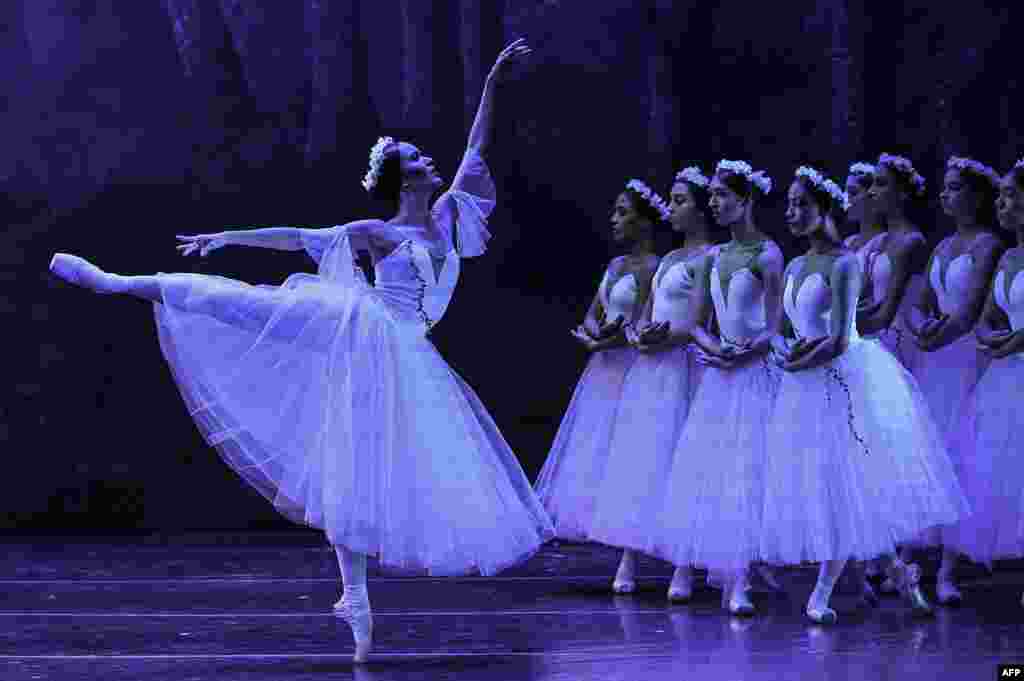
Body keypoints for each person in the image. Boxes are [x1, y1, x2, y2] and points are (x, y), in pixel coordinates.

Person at [49, 39, 554, 664]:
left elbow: (478, 145)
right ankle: (122, 283)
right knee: (253, 306)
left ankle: (355, 597)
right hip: (360, 326)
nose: (432, 158)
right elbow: (299, 238)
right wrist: (226, 235)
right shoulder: (378, 232)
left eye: (427, 155)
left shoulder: (450, 216)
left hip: (407, 354)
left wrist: (493, 79)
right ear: (403, 179)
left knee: (358, 463)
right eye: (419, 157)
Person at [759, 166, 967, 624]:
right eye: (790, 205)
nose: (792, 213)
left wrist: (797, 359)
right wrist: (784, 352)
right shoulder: (794, 265)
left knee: (843, 485)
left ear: (825, 208)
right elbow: (782, 329)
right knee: (832, 486)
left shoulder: (844, 262)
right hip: (804, 383)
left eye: (802, 205)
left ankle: (822, 592)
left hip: (843, 380)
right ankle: (899, 572)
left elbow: (837, 337)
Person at [643, 160, 783, 616]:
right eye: (715, 195)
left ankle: (740, 576)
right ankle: (693, 564)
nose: (716, 202)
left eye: (724, 195)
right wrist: (717, 347)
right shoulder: (714, 258)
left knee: (747, 470)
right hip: (719, 374)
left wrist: (746, 350)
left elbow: (777, 327)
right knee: (706, 467)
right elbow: (698, 322)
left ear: (745, 200)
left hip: (755, 374)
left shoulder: (768, 254)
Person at [585, 167, 717, 601]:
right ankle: (631, 554)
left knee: (686, 460)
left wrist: (669, 336)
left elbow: (703, 320)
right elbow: (646, 311)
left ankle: (684, 562)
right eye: (672, 200)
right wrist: (639, 334)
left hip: (687, 365)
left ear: (699, 209)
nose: (672, 208)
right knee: (643, 456)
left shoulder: (710, 256)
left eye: (681, 201)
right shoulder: (669, 260)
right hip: (654, 367)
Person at [534, 178, 662, 582]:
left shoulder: (652, 267)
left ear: (643, 221)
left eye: (623, 212)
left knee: (631, 457)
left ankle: (631, 556)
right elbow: (595, 310)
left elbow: (644, 319)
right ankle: (610, 540)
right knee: (599, 455)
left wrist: (613, 334)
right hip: (603, 370)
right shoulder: (615, 266)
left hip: (632, 369)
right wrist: (592, 332)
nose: (614, 219)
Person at [906, 155, 1005, 605]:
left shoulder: (988, 245)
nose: (944, 196)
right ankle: (913, 557)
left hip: (965, 356)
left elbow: (970, 312)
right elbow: (921, 300)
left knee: (960, 455)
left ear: (976, 195)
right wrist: (920, 326)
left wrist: (938, 333)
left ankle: (948, 567)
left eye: (953, 188)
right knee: (928, 448)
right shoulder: (942, 246)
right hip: (933, 358)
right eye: (943, 189)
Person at [950, 159, 1024, 606]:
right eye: (999, 196)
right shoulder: (1009, 256)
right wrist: (994, 336)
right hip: (1006, 373)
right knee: (997, 468)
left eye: (1012, 195)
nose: (1003, 204)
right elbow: (987, 318)